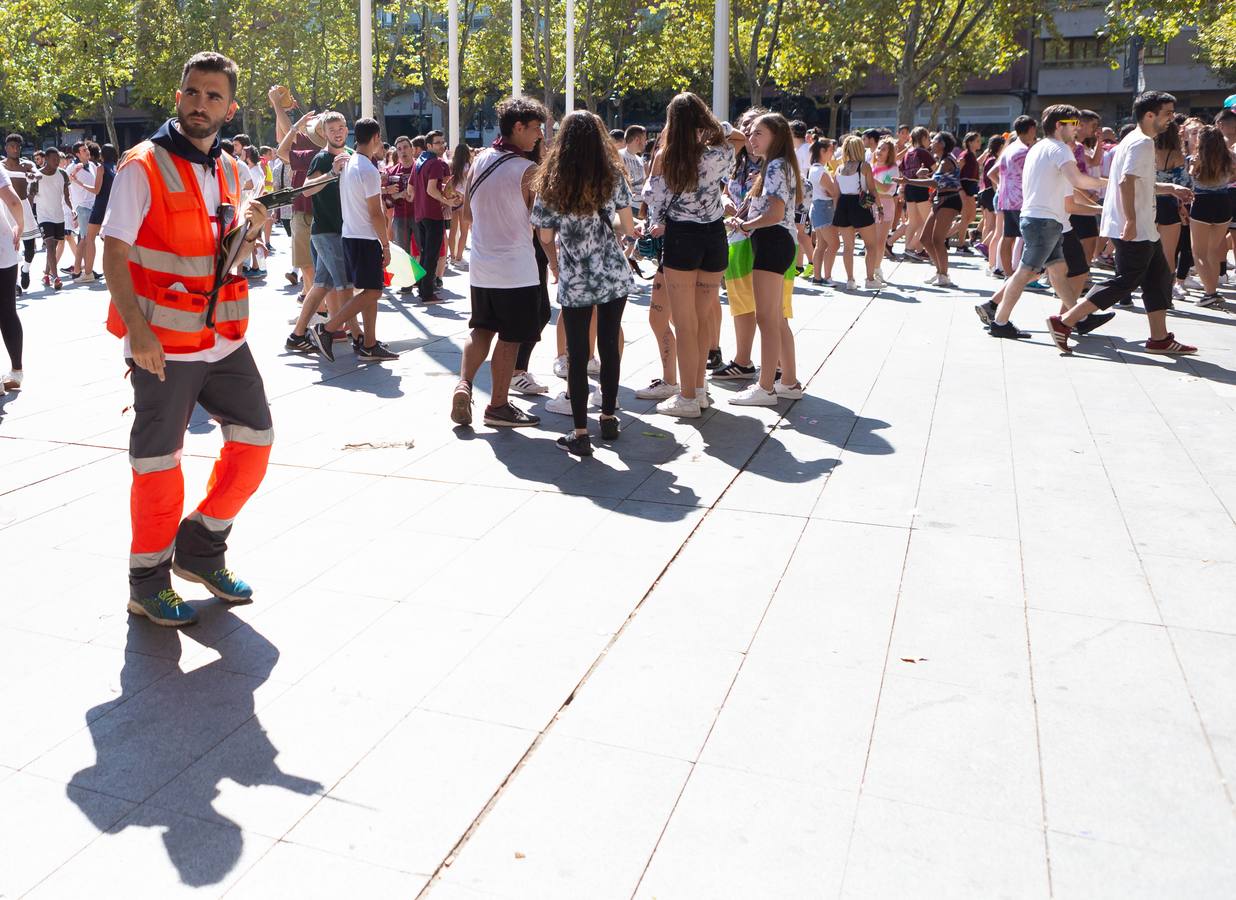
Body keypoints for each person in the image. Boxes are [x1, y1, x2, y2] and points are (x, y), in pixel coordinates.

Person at [101, 52, 272, 627]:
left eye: (213, 96)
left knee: (256, 443)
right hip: (163, 343)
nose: (201, 104)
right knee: (156, 463)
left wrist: (250, 228)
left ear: (229, 107)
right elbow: (114, 253)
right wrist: (137, 329)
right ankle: (147, 582)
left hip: (222, 336)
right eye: (192, 92)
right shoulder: (141, 165)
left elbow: (224, 250)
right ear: (179, 96)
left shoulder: (227, 167)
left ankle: (199, 548)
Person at [1047, 91, 1196, 355]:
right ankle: (1065, 321)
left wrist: (1170, 188)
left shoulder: (1134, 140)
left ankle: (1159, 338)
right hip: (1134, 226)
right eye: (1167, 114)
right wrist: (1131, 221)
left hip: (1142, 226)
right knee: (1125, 281)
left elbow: (1139, 182)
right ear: (1150, 115)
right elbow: (1126, 181)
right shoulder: (1141, 144)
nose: (1171, 119)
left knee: (1159, 278)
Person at [532, 110, 634, 455]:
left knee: (577, 353)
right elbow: (628, 226)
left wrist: (561, 255)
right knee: (608, 345)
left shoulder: (551, 182)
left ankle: (580, 431)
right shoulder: (613, 175)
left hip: (575, 277)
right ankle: (608, 415)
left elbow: (545, 234)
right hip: (612, 275)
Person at [643, 92, 745, 418]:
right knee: (701, 321)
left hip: (682, 238)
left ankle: (687, 397)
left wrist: (655, 224)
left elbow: (654, 201)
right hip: (714, 236)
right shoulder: (720, 152)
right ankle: (698, 390)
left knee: (685, 323)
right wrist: (714, 126)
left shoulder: (666, 156)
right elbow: (738, 136)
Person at [450, 95, 549, 428]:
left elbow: (465, 216)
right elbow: (541, 225)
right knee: (510, 337)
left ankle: (464, 384)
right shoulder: (528, 170)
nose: (539, 136)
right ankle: (498, 406)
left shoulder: (478, 161)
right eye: (535, 128)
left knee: (481, 329)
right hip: (516, 269)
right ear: (518, 127)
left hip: (481, 264)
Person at [974, 105, 1106, 338]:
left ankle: (1079, 318)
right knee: (1025, 272)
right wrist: (1110, 182)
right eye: (1073, 124)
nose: (1077, 129)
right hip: (1044, 221)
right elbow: (1077, 180)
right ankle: (1000, 322)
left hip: (1041, 219)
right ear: (1059, 125)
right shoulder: (1060, 149)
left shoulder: (1037, 148)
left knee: (1056, 271)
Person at [727, 112, 803, 407]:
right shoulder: (777, 165)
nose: (751, 137)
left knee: (767, 319)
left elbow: (773, 213)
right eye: (751, 132)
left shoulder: (775, 167)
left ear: (776, 136)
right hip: (776, 242)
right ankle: (788, 382)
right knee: (776, 318)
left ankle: (766, 387)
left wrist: (745, 226)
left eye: (759, 133)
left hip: (772, 242)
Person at [307, 118, 398, 361]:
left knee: (370, 290)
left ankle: (369, 343)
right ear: (377, 137)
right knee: (372, 292)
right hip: (363, 237)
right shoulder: (366, 168)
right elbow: (375, 212)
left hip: (352, 235)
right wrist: (386, 244)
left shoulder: (349, 163)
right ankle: (326, 329)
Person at [270, 86, 322, 296]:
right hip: (302, 210)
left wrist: (277, 105)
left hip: (312, 212)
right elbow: (281, 136)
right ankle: (309, 300)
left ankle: (317, 306)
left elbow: (287, 137)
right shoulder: (310, 143)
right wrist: (279, 109)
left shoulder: (315, 148)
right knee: (306, 265)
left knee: (311, 266)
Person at [899, 132, 962, 286]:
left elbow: (935, 183)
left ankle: (943, 275)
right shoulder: (941, 161)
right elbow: (938, 179)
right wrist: (924, 175)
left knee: (937, 240)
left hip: (949, 201)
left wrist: (909, 181)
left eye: (934, 141)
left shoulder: (947, 160)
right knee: (925, 239)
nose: (932, 143)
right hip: (939, 200)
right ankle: (940, 271)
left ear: (943, 144)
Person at [1188, 126, 1235, 307]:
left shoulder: (1197, 158)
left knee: (1198, 252)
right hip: (1223, 201)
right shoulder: (1230, 157)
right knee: (1213, 251)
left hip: (1202, 202)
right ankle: (1212, 289)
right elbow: (1233, 175)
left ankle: (1210, 292)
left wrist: (1195, 164)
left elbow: (1190, 177)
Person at [413, 130, 460, 304]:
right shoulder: (434, 163)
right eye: (438, 142)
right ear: (429, 146)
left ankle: (424, 289)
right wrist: (447, 201)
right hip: (432, 214)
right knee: (431, 255)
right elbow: (431, 190)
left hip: (419, 213)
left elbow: (411, 191)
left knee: (426, 254)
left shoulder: (419, 161)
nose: (442, 145)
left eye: (443, 142)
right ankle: (427, 293)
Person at [832, 135, 881, 290]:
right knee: (871, 245)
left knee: (848, 247)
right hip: (859, 205)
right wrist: (879, 207)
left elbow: (836, 194)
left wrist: (836, 212)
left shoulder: (839, 168)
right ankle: (870, 279)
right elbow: (872, 190)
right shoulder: (864, 166)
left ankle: (850, 280)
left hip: (842, 205)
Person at [994, 116, 1037, 278]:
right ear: (1031, 129)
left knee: (1008, 237)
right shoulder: (1024, 152)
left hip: (1007, 199)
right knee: (1030, 240)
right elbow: (1032, 176)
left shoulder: (1009, 149)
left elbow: (995, 172)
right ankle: (1026, 276)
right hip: (1021, 200)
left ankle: (1008, 273)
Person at [3, 134, 41, 293]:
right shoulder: (1, 166)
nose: (15, 149)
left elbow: (38, 174)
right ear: (6, 148)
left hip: (24, 207)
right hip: (6, 209)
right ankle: (16, 283)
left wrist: (33, 176)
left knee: (30, 248)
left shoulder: (26, 164)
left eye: (18, 146)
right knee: (11, 247)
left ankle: (26, 270)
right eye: (12, 146)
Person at [29, 147, 70, 290]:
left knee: (54, 246)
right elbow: (30, 197)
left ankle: (46, 273)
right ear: (46, 159)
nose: (57, 161)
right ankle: (56, 277)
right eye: (54, 159)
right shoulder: (37, 176)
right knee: (50, 245)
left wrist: (72, 210)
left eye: (58, 159)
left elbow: (66, 196)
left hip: (58, 215)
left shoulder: (63, 174)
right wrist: (28, 216)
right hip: (43, 216)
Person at [0, 163, 24, 395]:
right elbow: (14, 201)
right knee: (8, 311)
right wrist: (21, 224)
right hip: (5, 247)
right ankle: (16, 372)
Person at [80, 143, 117, 286]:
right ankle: (110, 272)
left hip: (100, 206)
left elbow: (96, 190)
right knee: (109, 242)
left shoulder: (101, 168)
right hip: (111, 207)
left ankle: (88, 272)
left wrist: (80, 183)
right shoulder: (115, 167)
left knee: (90, 239)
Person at [808, 138, 839, 286]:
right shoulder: (820, 170)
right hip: (823, 208)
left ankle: (818, 277)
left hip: (818, 207)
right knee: (834, 244)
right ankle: (826, 277)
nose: (832, 153)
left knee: (821, 245)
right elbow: (833, 192)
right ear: (822, 151)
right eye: (831, 150)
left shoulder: (815, 169)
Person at [900, 127, 934, 258]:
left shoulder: (908, 152)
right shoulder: (923, 152)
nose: (930, 141)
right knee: (928, 222)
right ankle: (910, 247)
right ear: (923, 138)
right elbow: (936, 170)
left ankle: (910, 249)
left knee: (913, 222)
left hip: (909, 188)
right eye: (929, 138)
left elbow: (901, 170)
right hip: (920, 188)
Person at [66, 141, 98, 279]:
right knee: (85, 239)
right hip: (82, 207)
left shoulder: (92, 165)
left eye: (87, 149)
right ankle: (79, 270)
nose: (87, 151)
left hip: (94, 205)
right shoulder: (71, 167)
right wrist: (75, 171)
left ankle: (85, 269)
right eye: (84, 150)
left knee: (87, 239)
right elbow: (66, 181)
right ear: (77, 154)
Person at [447, 141, 472, 264]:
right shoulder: (469, 166)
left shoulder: (451, 165)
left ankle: (451, 256)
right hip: (464, 199)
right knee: (464, 231)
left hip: (452, 200)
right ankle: (459, 257)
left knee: (452, 230)